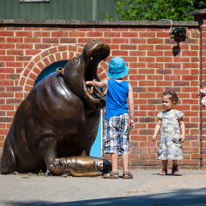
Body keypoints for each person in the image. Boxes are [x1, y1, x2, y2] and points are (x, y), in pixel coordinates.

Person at [86, 57, 135, 179]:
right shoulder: (128, 85)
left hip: (111, 117)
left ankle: (114, 172)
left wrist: (88, 82)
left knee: (113, 143)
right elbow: (131, 103)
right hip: (124, 116)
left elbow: (97, 84)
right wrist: (132, 119)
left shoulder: (108, 83)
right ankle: (126, 171)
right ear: (124, 71)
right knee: (124, 143)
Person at [152, 90, 185, 175]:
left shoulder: (177, 113)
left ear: (173, 103)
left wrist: (183, 134)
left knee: (174, 152)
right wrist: (155, 134)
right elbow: (158, 124)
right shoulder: (162, 114)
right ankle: (164, 168)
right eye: (163, 101)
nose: (164, 104)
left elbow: (181, 124)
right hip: (164, 138)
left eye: (166, 102)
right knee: (164, 153)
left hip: (174, 137)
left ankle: (174, 166)